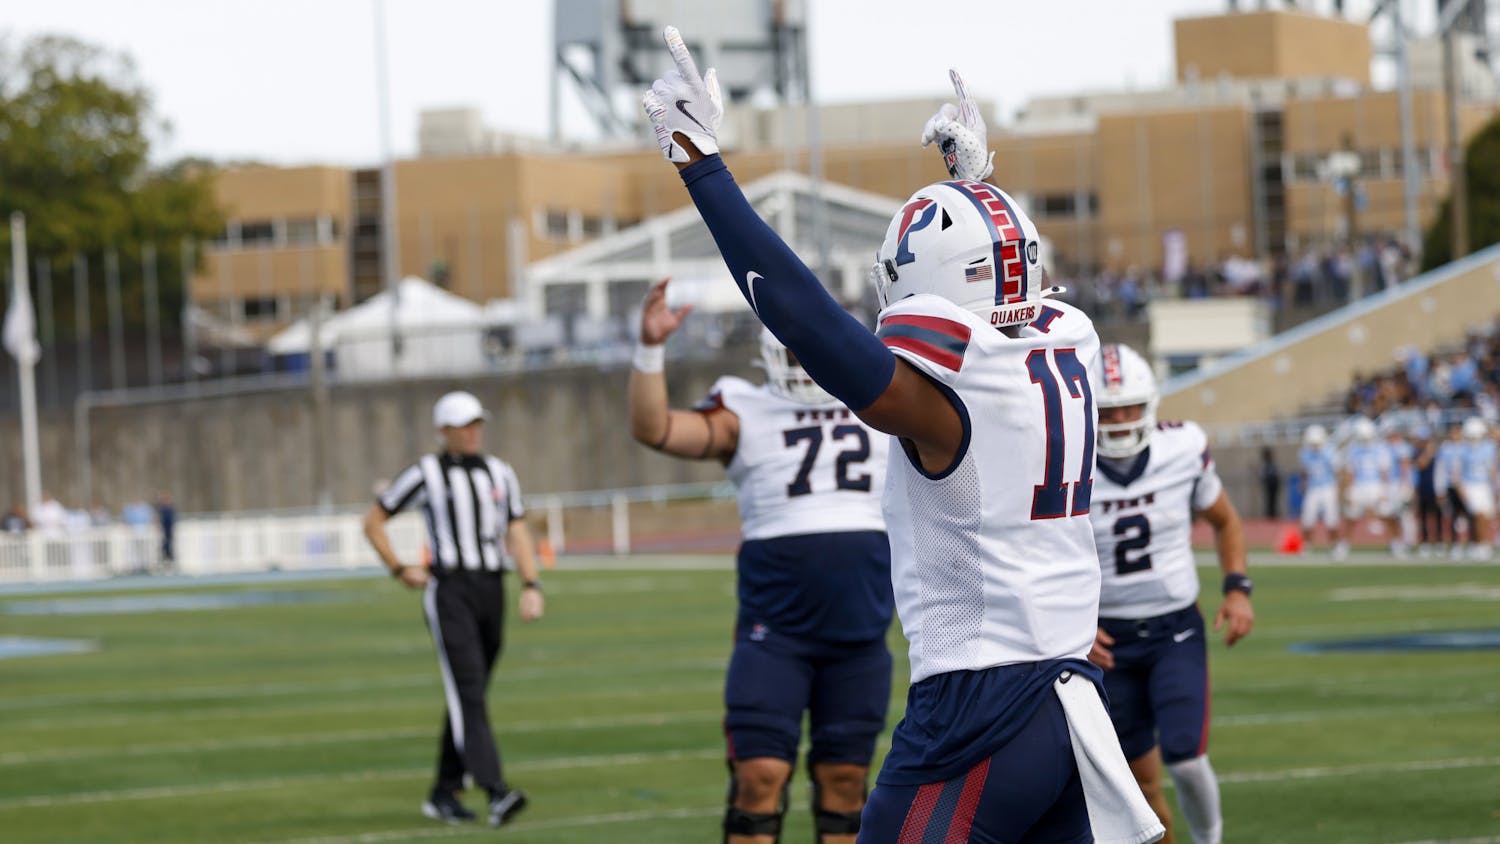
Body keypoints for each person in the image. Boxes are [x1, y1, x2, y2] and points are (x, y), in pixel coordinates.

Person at [642, 30, 1162, 844]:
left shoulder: (951, 393)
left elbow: (804, 316)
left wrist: (699, 162)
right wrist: (977, 189)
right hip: (1069, 691)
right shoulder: (1070, 337)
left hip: (980, 706)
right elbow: (1000, 287)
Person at [629, 291, 893, 844]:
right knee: (759, 776)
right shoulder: (743, 407)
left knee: (847, 782)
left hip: (861, 632)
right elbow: (655, 429)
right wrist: (650, 352)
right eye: (794, 354)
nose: (805, 365)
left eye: (813, 353)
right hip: (776, 632)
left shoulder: (887, 404)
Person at [1086, 343, 1254, 844]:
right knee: (1136, 782)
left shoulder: (1181, 448)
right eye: (1107, 409)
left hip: (1173, 628)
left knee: (1186, 757)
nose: (1118, 420)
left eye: (1129, 407)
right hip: (1107, 641)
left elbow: (1225, 520)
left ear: (1150, 404)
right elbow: (1041, 553)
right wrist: (1072, 623)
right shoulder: (1067, 462)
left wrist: (1237, 589)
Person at [362, 390, 543, 828]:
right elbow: (373, 521)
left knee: (472, 693)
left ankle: (444, 792)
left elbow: (516, 528)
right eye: (464, 425)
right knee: (467, 690)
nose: (474, 432)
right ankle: (495, 789)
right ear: (443, 431)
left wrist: (531, 582)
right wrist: (398, 567)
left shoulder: (500, 472)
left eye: (477, 423)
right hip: (450, 591)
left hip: (491, 588)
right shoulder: (426, 472)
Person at [1341, 417, 1403, 558]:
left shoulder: (1380, 448)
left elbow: (1384, 472)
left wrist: (1385, 489)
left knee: (1388, 515)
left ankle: (1396, 544)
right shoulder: (1353, 449)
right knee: (1351, 516)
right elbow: (1350, 472)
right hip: (1359, 486)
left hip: (1376, 485)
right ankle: (1343, 545)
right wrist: (1349, 490)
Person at [1455, 416, 1497, 559]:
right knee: (1479, 516)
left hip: (1485, 485)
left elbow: (1492, 469)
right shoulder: (1463, 449)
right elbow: (1459, 472)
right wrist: (1461, 489)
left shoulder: (1489, 447)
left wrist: (1495, 487)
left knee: (1485, 517)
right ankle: (1482, 545)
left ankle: (1481, 543)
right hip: (1471, 485)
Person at [1298, 425, 1343, 557]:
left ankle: (1335, 545)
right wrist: (1303, 484)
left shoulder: (1330, 452)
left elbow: (1338, 471)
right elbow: (1304, 471)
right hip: (1313, 488)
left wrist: (1339, 489)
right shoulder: (1305, 453)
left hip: (1328, 487)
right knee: (1307, 518)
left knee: (1331, 519)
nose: (1315, 446)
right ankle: (1307, 545)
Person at [155, 492, 177, 572]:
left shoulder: (170, 509)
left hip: (169, 531)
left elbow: (172, 520)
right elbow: (159, 520)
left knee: (169, 546)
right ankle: (164, 562)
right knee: (164, 546)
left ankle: (170, 562)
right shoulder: (161, 510)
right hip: (163, 531)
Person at [1257, 446, 1280, 520]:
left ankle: (1273, 515)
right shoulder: (1266, 464)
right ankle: (1270, 515)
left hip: (1273, 484)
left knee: (1273, 501)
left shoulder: (1271, 464)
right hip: (1269, 484)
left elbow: (1275, 474)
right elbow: (1263, 475)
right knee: (1269, 501)